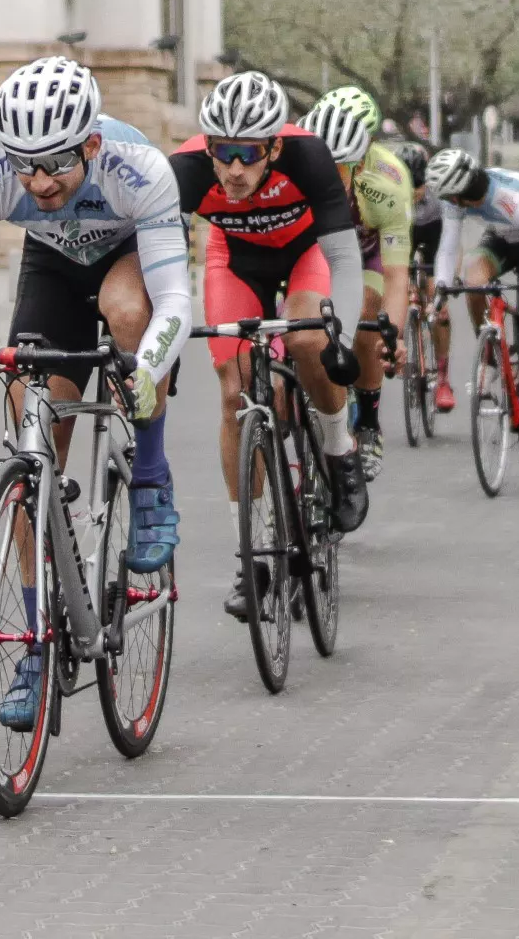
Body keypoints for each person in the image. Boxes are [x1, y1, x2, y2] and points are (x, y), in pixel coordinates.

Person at [0, 56, 191, 730]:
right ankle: (36, 642)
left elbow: (175, 299)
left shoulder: (139, 170)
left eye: (55, 163)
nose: (39, 181)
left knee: (127, 309)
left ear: (91, 144)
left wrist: (148, 367)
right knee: (29, 427)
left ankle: (148, 475)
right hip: (52, 265)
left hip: (128, 257)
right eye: (24, 165)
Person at [167, 70, 367, 621]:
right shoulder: (183, 170)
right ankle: (249, 556)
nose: (232, 169)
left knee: (306, 339)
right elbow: (159, 262)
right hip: (234, 262)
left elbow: (346, 260)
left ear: (274, 146)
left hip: (306, 254)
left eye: (248, 154)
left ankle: (336, 448)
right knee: (234, 395)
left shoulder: (309, 158)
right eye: (221, 152)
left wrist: (339, 339)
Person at [427, 149, 519, 461]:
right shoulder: (456, 197)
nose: (448, 203)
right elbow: (448, 246)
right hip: (501, 240)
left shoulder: (515, 203)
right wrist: (441, 286)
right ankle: (490, 361)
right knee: (474, 279)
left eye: (450, 197)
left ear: (463, 195)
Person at [296, 88, 411, 480]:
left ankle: (368, 421)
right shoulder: (290, 164)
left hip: (366, 257)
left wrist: (390, 335)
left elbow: (397, 275)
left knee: (364, 311)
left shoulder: (386, 184)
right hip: (308, 255)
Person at [397, 141, 455, 411]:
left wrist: (445, 284)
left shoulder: (439, 199)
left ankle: (443, 377)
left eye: (418, 184)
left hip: (433, 239)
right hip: (401, 239)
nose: (413, 192)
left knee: (439, 308)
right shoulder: (388, 196)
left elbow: (451, 247)